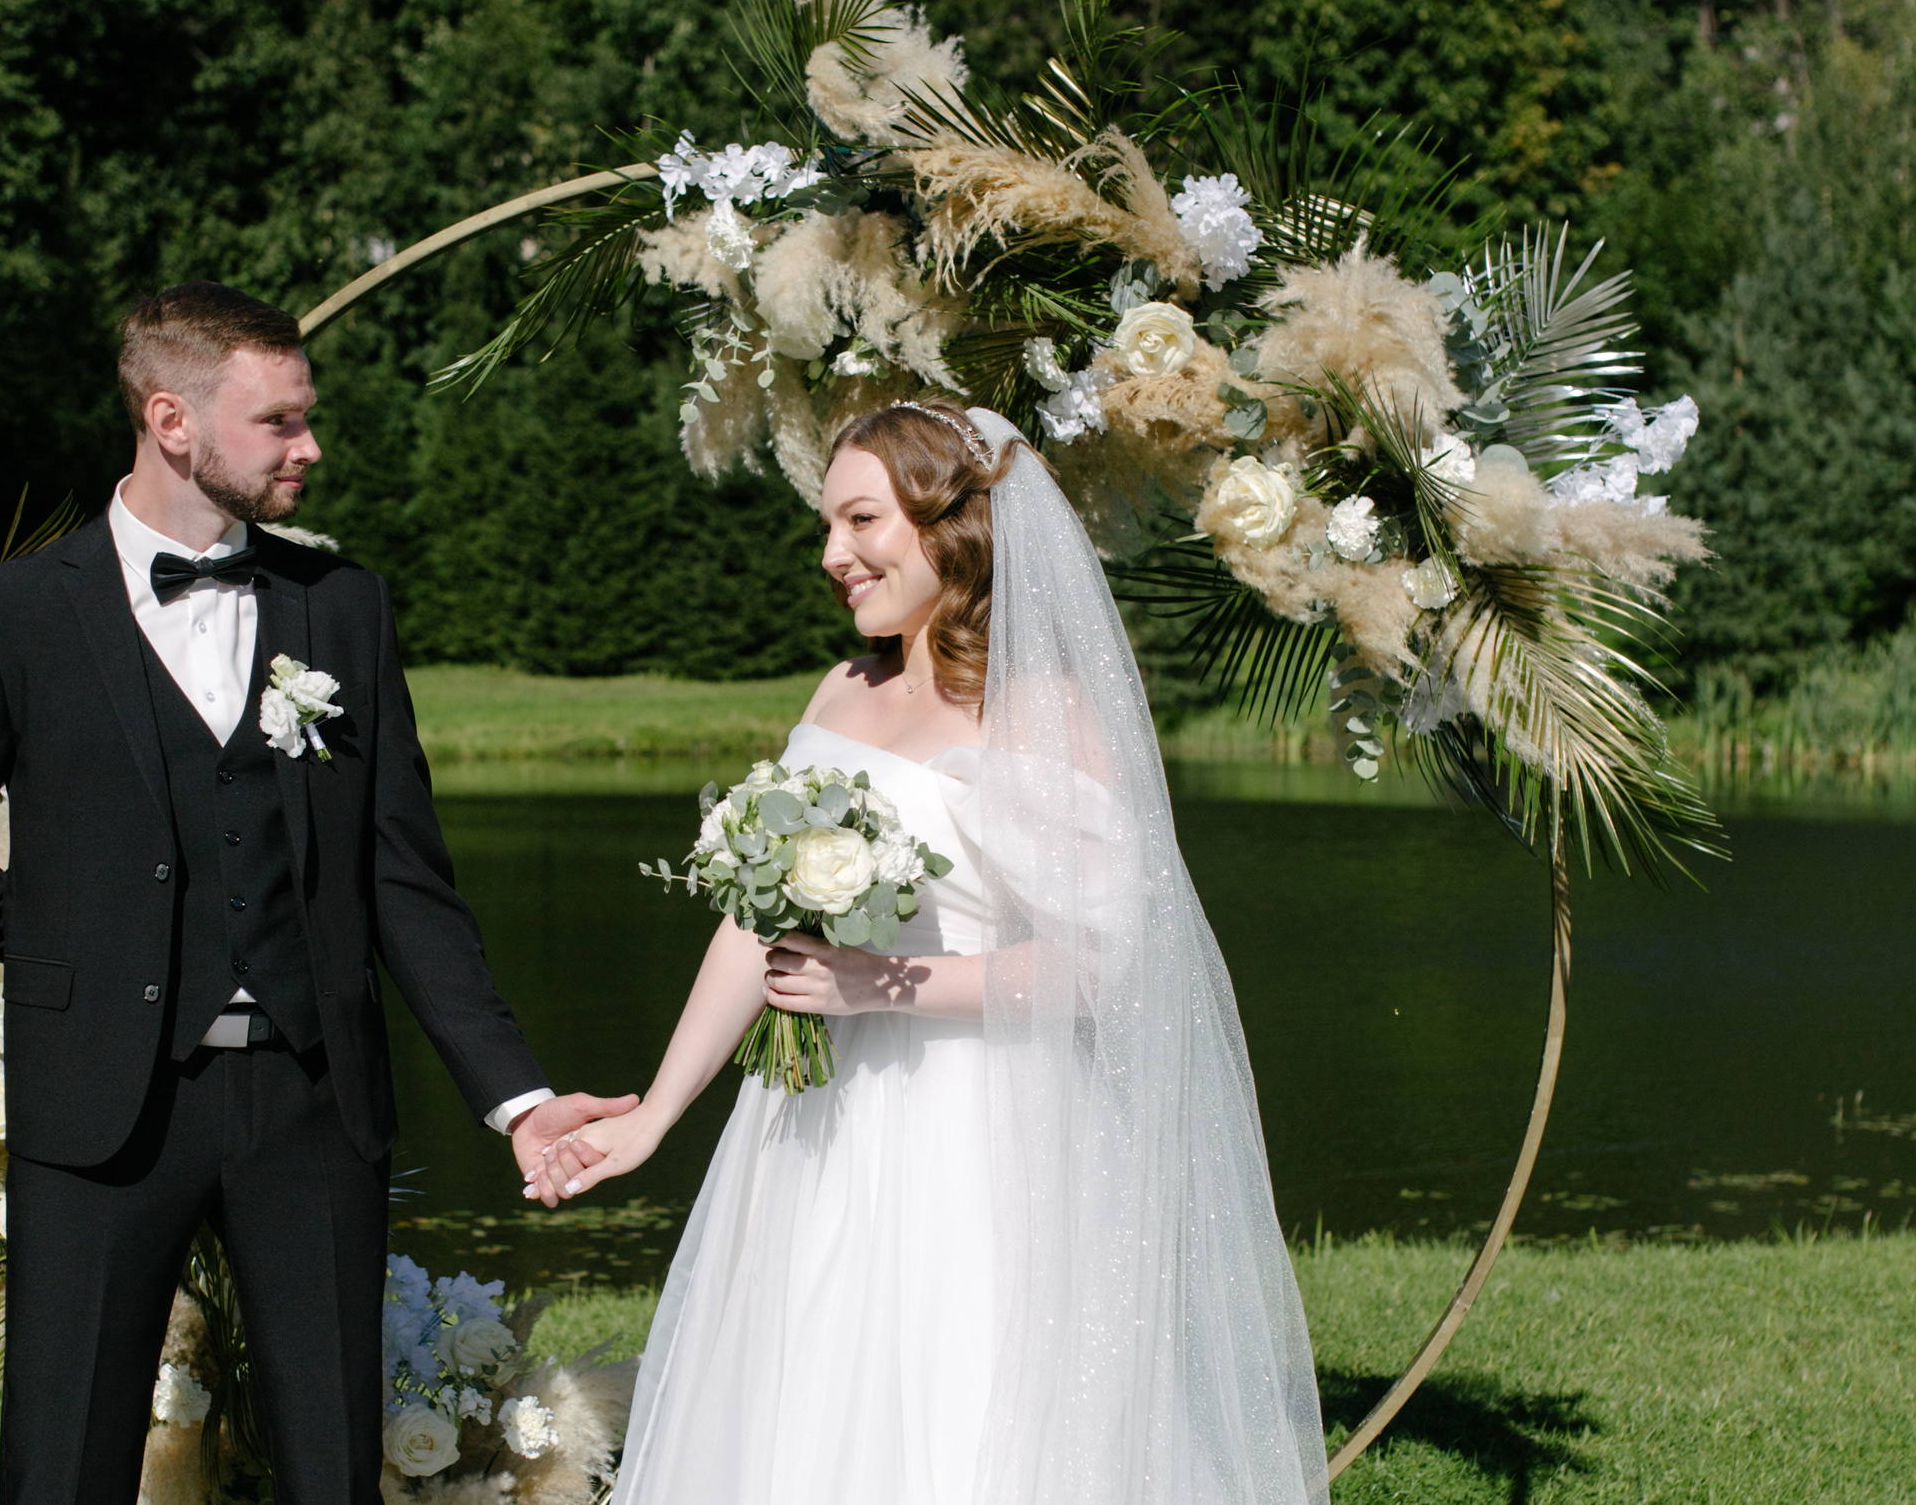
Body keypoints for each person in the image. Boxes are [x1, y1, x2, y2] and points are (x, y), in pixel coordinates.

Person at [0, 282, 633, 1505]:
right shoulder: (27, 613)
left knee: (332, 1467)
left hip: (312, 1106)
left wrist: (516, 1098)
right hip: (104, 1103)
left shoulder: (343, 607)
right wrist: (81, 937)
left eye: (305, 418)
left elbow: (404, 884)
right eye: (279, 423)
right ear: (171, 420)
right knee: (60, 1467)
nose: (310, 446)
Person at [535, 400, 1328, 1504]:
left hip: (979, 1131)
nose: (831, 555)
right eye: (825, 525)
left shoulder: (1040, 711)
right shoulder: (841, 694)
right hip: (808, 1127)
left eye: (860, 520)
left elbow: (1101, 968)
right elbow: (754, 923)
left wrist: (882, 983)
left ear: (948, 526)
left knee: (964, 1395)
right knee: (801, 1388)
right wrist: (654, 1115)